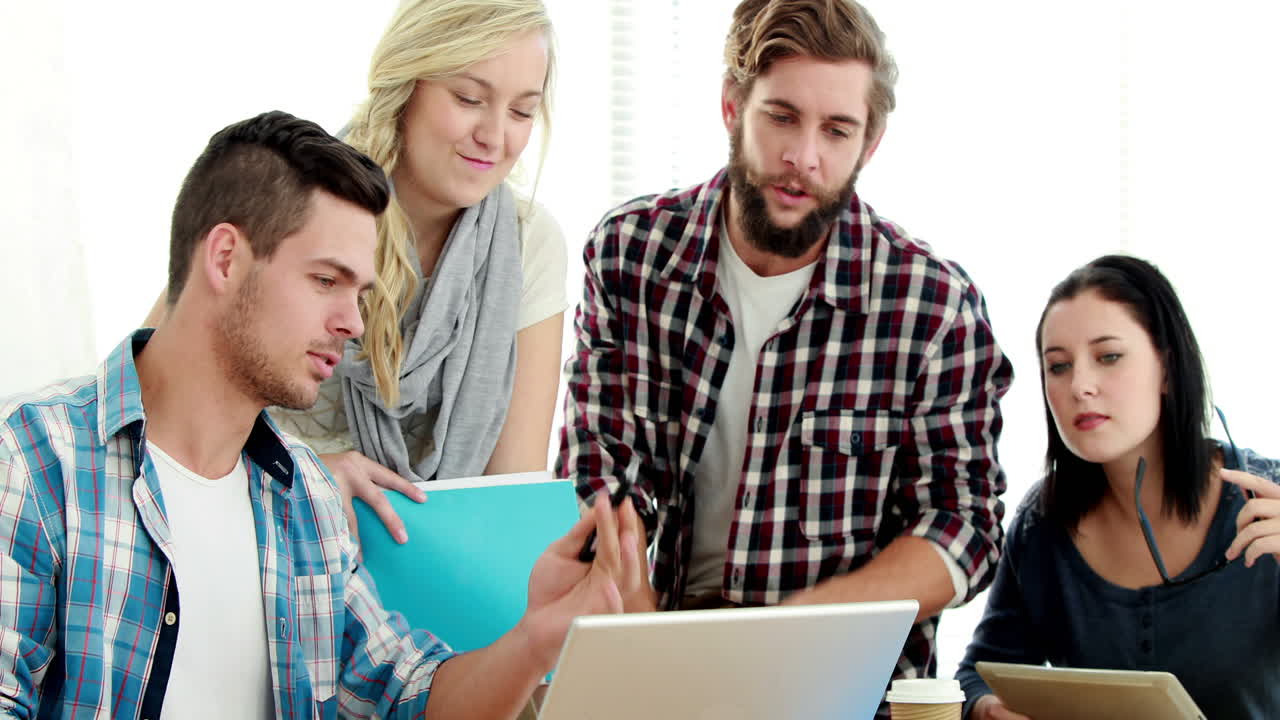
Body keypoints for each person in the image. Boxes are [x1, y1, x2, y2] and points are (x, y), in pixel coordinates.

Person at [0, 111, 642, 719]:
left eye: (360, 292)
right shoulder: (35, 460)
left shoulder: (302, 497)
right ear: (225, 259)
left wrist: (537, 639)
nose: (354, 322)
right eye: (326, 281)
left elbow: (407, 698)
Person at [556, 0, 1014, 706]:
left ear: (871, 142)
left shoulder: (932, 305)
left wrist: (792, 632)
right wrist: (629, 603)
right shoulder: (631, 254)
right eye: (782, 116)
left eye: (837, 130)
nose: (805, 157)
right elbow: (603, 462)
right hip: (666, 644)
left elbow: (965, 525)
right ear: (732, 106)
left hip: (848, 679)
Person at [145, 0, 568, 545]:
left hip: (430, 558)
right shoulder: (291, 196)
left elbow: (506, 497)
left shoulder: (529, 242)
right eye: (469, 98)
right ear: (405, 85)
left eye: (521, 112)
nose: (495, 136)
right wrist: (309, 472)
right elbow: (155, 402)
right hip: (261, 531)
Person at [956, 255, 1280, 719]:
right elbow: (980, 674)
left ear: (1167, 368)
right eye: (1059, 366)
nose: (1080, 386)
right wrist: (987, 708)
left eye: (1109, 357)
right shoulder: (1043, 522)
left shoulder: (1269, 503)